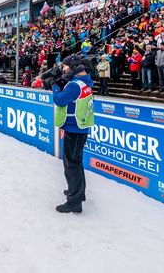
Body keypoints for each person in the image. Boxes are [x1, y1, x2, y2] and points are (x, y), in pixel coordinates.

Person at [52, 55, 95, 214]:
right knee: (76, 163)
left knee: (71, 166)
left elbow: (59, 100)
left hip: (74, 129)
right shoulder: (84, 81)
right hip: (79, 128)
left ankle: (74, 202)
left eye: (64, 67)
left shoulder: (75, 85)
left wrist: (55, 87)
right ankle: (78, 192)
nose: (63, 70)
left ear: (73, 67)